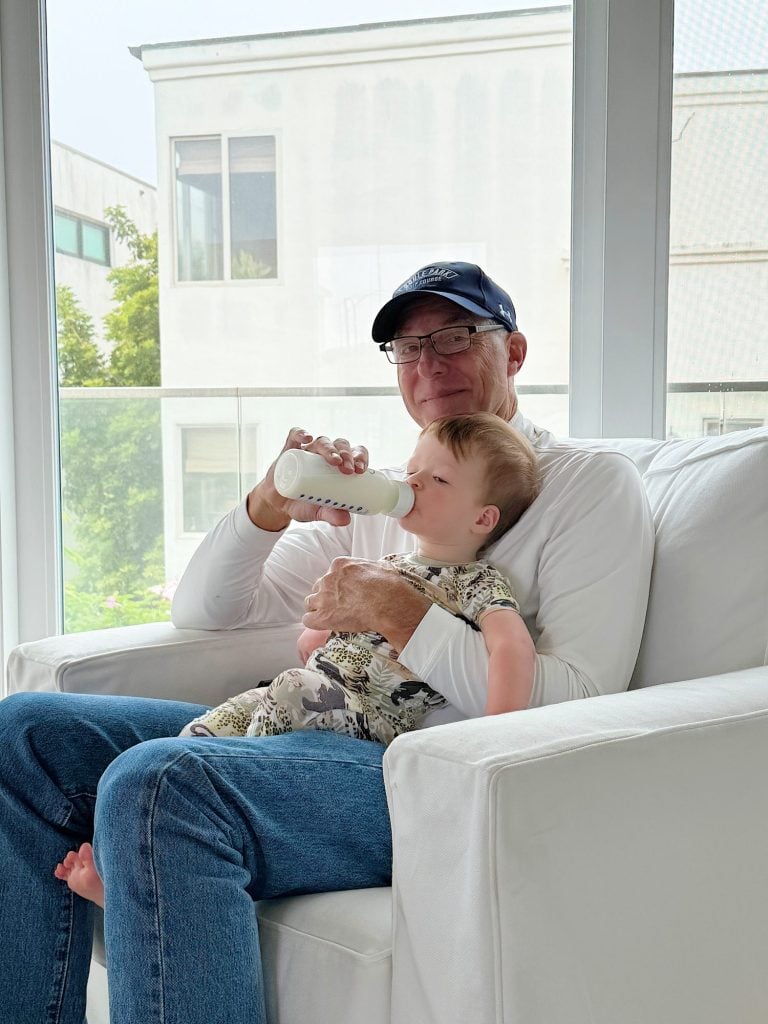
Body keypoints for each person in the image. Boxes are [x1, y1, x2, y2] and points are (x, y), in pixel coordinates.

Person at [0, 261, 654, 1024]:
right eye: (407, 348)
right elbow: (207, 609)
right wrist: (269, 503)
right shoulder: (391, 497)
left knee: (163, 781)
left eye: (456, 335)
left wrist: (405, 615)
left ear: (513, 352)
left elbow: (579, 704)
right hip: (311, 727)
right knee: (25, 735)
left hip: (415, 769)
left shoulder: (587, 485)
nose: (429, 363)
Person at [53, 412, 540, 910]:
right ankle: (127, 875)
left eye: (437, 480)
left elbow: (511, 648)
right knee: (199, 734)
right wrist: (323, 626)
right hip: (318, 694)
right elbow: (313, 638)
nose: (413, 483)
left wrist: (495, 739)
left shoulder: (476, 582)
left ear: (482, 517)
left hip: (372, 722)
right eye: (413, 470)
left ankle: (149, 876)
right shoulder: (384, 565)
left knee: (282, 697)